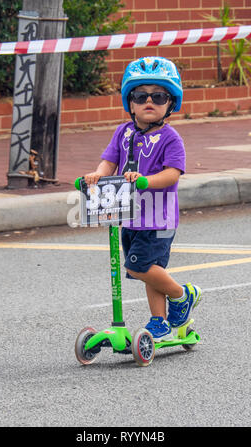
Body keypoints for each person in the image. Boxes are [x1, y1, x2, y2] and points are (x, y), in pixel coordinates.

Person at [84, 56, 202, 341]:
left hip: (158, 218)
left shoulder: (171, 138)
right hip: (128, 215)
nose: (149, 101)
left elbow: (173, 174)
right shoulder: (122, 133)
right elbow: (109, 162)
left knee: (140, 267)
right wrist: (97, 175)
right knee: (151, 271)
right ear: (130, 102)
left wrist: (147, 181)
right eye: (141, 95)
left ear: (170, 103)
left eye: (158, 96)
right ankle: (159, 322)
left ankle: (182, 295)